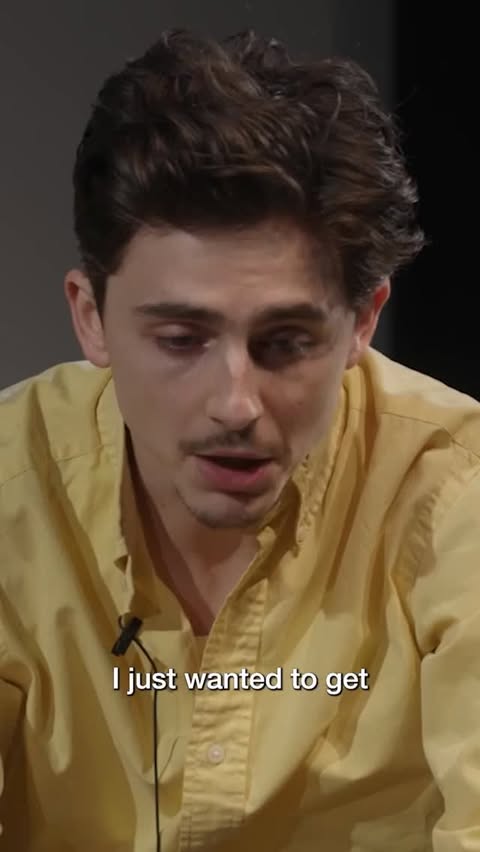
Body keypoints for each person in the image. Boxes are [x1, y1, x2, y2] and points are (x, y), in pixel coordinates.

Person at [0, 28, 479, 852]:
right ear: (91, 317)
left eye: (285, 343)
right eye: (181, 339)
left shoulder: (458, 492)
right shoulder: (12, 481)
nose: (236, 404)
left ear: (363, 321)